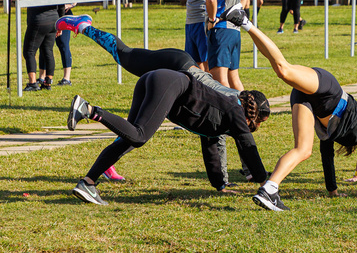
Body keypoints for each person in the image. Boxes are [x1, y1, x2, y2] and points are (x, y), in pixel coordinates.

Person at [222, 3, 357, 212]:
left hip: (311, 101)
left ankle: (269, 189)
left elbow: (327, 155)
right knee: (283, 70)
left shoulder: (343, 130)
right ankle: (244, 21)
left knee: (303, 150)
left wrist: (333, 191)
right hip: (328, 89)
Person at [56, 14, 249, 187]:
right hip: (176, 64)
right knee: (124, 55)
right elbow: (230, 140)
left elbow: (220, 137)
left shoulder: (234, 107)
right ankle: (83, 26)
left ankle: (104, 167)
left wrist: (224, 181)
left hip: (178, 75)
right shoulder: (232, 105)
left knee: (136, 131)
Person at [67, 72, 271, 205]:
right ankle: (89, 110)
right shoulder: (234, 110)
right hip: (170, 83)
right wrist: (265, 184)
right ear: (251, 114)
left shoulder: (224, 115)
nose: (256, 127)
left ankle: (88, 183)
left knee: (129, 139)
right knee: (139, 137)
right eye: (259, 122)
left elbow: (210, 147)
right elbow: (248, 147)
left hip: (155, 79)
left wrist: (220, 186)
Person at [15, 0, 70, 90]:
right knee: (48, 51)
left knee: (29, 51)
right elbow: (61, 8)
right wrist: (60, 26)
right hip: (53, 22)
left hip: (37, 22)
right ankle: (48, 82)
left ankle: (33, 83)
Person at [42, 0, 81, 87]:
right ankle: (42, 77)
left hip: (63, 14)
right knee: (44, 45)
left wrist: (72, 4)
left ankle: (66, 78)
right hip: (48, 13)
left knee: (63, 44)